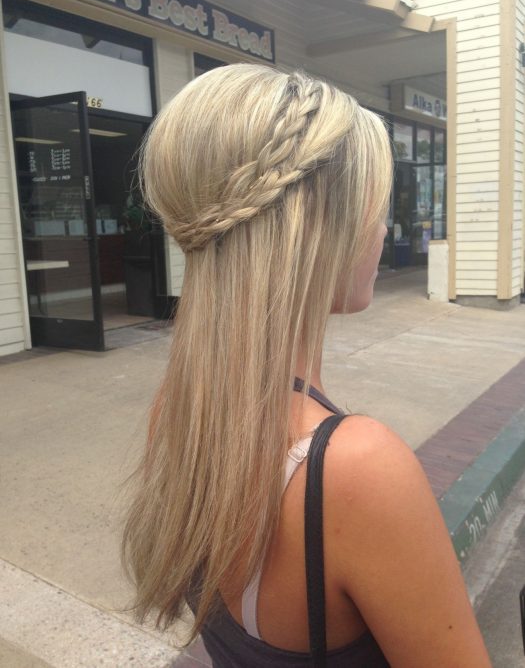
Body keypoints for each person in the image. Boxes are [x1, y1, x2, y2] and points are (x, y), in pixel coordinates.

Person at [121, 64, 492, 667]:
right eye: (376, 210)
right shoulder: (355, 470)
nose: (382, 232)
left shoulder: (181, 408)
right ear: (322, 230)